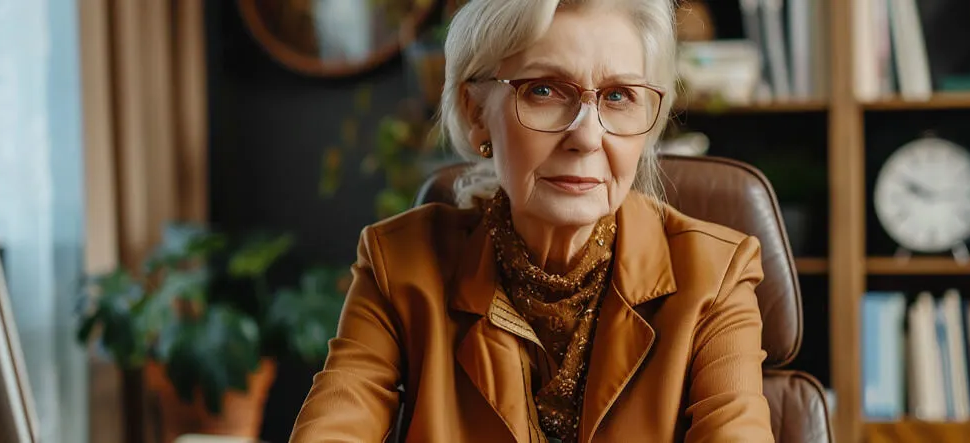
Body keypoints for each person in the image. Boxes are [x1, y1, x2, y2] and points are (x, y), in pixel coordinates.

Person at [289, 0, 774, 441]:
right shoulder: (398, 265)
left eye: (619, 96)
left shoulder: (715, 277)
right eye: (544, 90)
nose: (586, 136)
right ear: (475, 110)